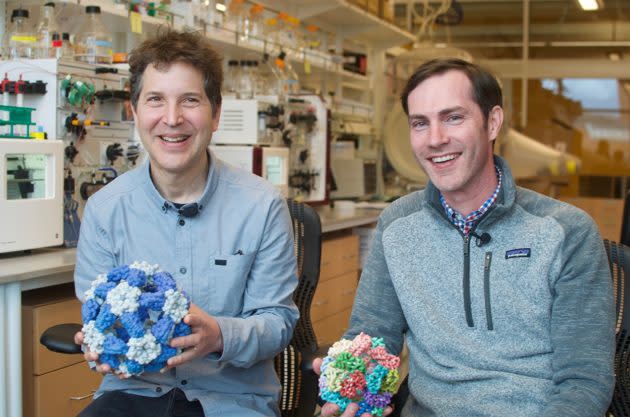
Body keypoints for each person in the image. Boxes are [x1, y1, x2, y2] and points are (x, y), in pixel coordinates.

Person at [316, 58, 615, 417]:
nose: (436, 139)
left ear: (492, 123)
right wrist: (352, 380)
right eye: (420, 123)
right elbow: (373, 336)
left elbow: (585, 381)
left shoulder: (567, 232)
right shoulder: (397, 224)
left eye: (453, 117)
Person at [73, 29, 299, 417]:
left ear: (215, 114)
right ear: (135, 112)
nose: (172, 119)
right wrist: (99, 343)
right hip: (133, 393)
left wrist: (218, 336)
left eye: (190, 100)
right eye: (156, 100)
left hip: (232, 400)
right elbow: (96, 314)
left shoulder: (262, 206)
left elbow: (277, 322)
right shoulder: (104, 210)